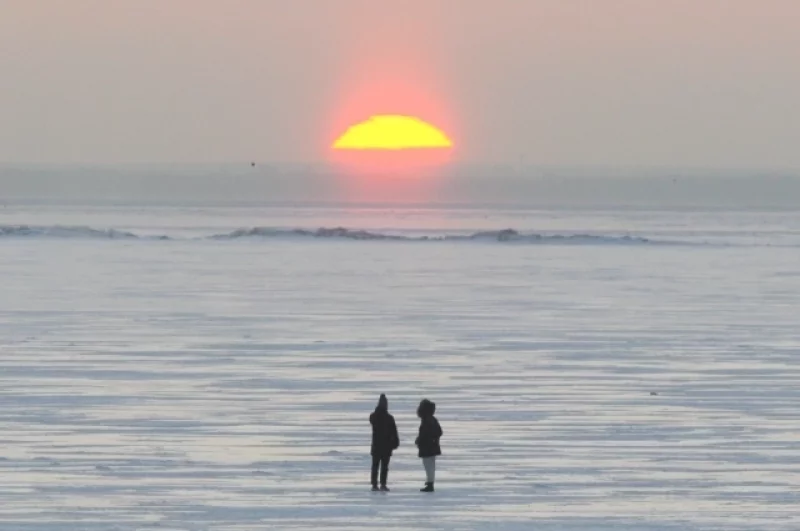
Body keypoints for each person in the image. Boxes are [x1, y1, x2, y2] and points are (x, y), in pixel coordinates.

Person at [369, 394, 399, 491]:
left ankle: (374, 484)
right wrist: (395, 442)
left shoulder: (374, 416)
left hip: (377, 445)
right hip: (386, 445)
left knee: (375, 465)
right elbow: (394, 431)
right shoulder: (389, 418)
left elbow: (372, 419)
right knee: (384, 467)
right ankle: (382, 484)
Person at [415, 398, 442, 492]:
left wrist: (419, 440)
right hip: (433, 446)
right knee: (431, 465)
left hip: (427, 447)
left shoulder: (426, 420)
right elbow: (439, 432)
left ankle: (430, 483)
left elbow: (424, 433)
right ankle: (430, 482)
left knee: (428, 466)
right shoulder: (432, 419)